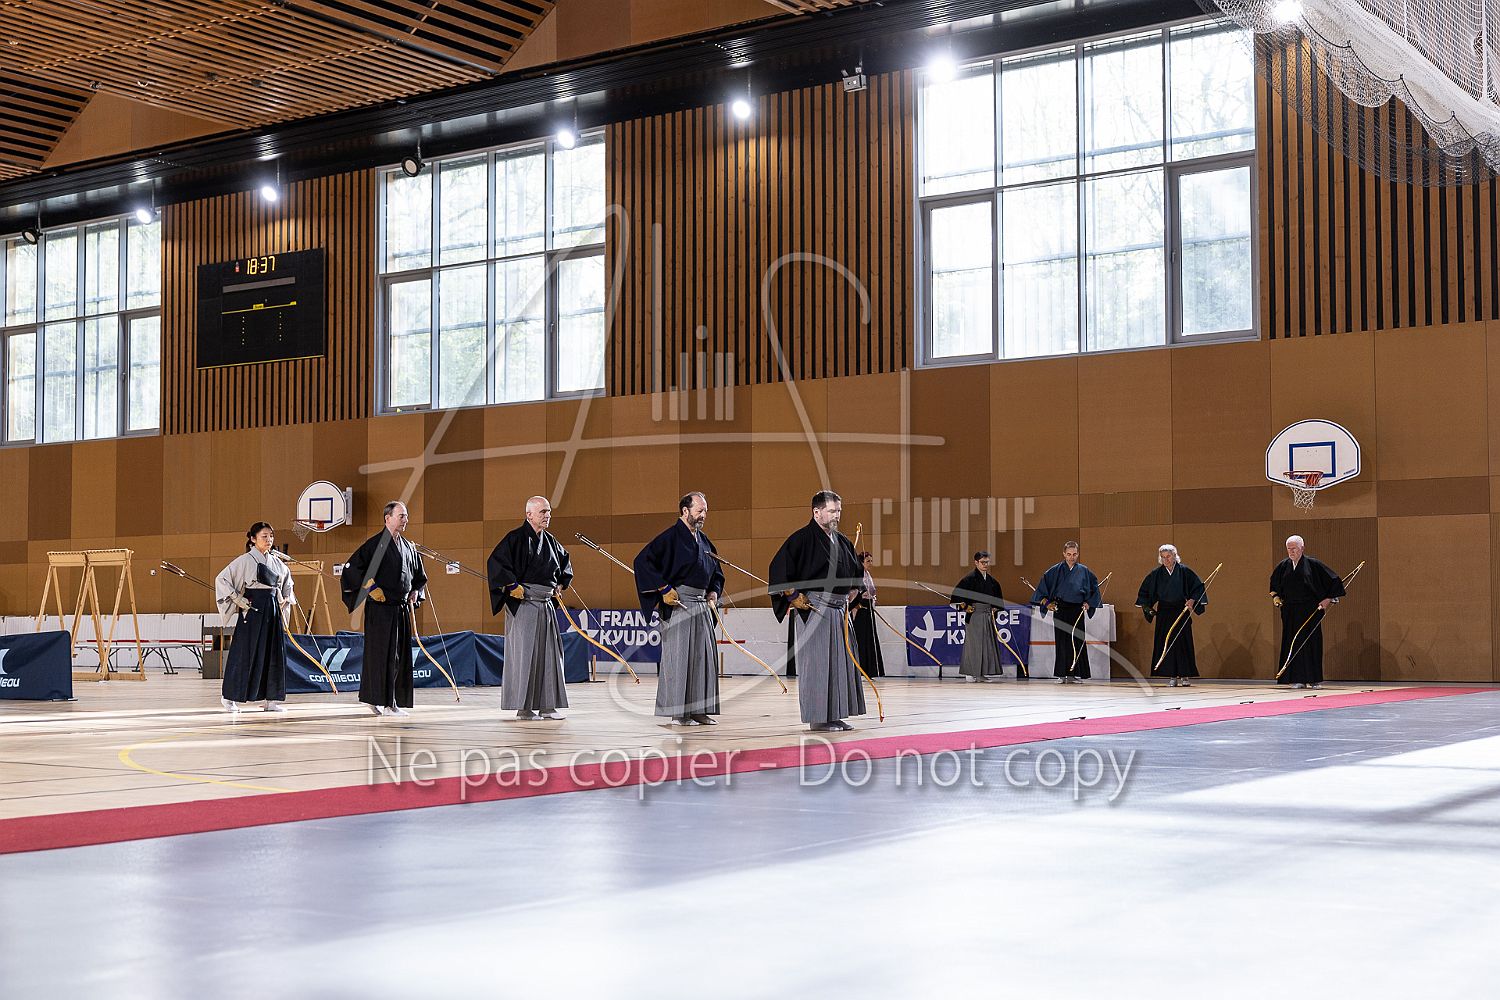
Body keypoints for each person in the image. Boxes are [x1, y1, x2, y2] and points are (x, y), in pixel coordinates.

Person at [768, 490, 867, 732]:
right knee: (818, 664)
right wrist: (793, 596)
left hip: (839, 611)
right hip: (815, 609)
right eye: (832, 511)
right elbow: (778, 569)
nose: (837, 515)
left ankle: (835, 714)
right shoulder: (801, 539)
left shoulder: (842, 541)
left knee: (840, 664)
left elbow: (856, 573)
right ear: (816, 512)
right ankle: (818, 718)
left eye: (839, 511)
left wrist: (855, 590)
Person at [634, 492, 725, 726]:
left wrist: (714, 591)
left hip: (701, 605)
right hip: (679, 604)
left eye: (705, 511)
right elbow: (642, 562)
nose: (703, 515)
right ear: (685, 511)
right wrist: (664, 588)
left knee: (703, 659)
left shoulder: (704, 541)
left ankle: (699, 710)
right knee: (679, 658)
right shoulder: (669, 538)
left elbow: (716, 572)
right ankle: (678, 712)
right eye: (699, 510)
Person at [487, 496, 573, 720]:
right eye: (543, 512)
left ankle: (548, 706)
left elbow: (565, 565)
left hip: (545, 604)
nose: (547, 516)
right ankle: (523, 708)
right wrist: (511, 585)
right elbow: (495, 564)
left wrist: (560, 584)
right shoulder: (515, 538)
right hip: (524, 603)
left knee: (550, 656)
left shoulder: (551, 541)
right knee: (526, 656)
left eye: (549, 512)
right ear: (529, 515)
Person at [340, 501, 427, 716]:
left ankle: (391, 702)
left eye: (406, 516)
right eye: (401, 516)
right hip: (380, 610)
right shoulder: (374, 545)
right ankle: (381, 701)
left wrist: (416, 592)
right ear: (388, 518)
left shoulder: (409, 547)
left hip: (400, 609)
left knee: (399, 656)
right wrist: (371, 588)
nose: (405, 520)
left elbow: (419, 577)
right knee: (380, 655)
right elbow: (351, 570)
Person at [215, 521, 296, 713]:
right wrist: (237, 598)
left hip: (272, 609)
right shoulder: (244, 560)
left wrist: (285, 598)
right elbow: (222, 579)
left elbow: (288, 584)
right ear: (253, 539)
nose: (269, 540)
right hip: (252, 609)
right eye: (264, 536)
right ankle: (229, 697)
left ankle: (271, 699)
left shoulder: (277, 562)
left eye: (271, 536)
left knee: (272, 653)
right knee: (244, 653)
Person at [1269, 535, 1346, 689]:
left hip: (1310, 610)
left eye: (1294, 549)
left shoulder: (1313, 564)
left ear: (1302, 548)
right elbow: (1274, 586)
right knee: (1292, 643)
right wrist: (1276, 598)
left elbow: (1334, 581)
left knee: (1311, 643)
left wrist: (1327, 599)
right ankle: (1296, 678)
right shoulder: (1283, 566)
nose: (1291, 552)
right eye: (1289, 549)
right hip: (1290, 611)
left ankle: (1313, 679)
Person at [1135, 544, 1207, 687]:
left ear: (1174, 556)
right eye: (1163, 557)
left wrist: (1192, 600)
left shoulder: (1184, 571)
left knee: (1183, 643)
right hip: (1164, 612)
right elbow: (1145, 592)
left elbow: (1198, 588)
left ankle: (1185, 676)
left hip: (1181, 610)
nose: (1166, 560)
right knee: (1166, 643)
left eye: (1168, 556)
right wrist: (1147, 607)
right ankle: (1172, 675)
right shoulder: (1156, 574)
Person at [1031, 541, 1102, 684]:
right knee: (1062, 641)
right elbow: (1041, 590)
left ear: (1078, 554)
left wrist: (1088, 603)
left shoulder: (1084, 571)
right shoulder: (1055, 570)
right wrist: (1047, 603)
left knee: (1077, 641)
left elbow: (1094, 589)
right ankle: (1061, 674)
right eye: (1069, 554)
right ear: (1064, 554)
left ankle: (1074, 674)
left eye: (1074, 554)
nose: (1071, 557)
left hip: (1077, 609)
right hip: (1061, 609)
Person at [952, 551, 1006, 683]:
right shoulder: (968, 579)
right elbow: (956, 598)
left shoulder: (993, 582)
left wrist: (995, 608)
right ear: (976, 563)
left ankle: (982, 674)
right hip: (975, 615)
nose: (985, 564)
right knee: (974, 645)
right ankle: (971, 672)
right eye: (983, 562)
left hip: (987, 616)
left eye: (987, 562)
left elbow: (998, 601)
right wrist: (966, 607)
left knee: (987, 645)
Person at [849, 552, 886, 678]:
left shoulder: (867, 575)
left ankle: (871, 671)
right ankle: (860, 670)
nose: (870, 563)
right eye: (868, 561)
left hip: (868, 609)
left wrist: (873, 602)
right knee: (861, 639)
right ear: (861, 563)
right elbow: (853, 592)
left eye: (871, 561)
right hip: (860, 610)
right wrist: (855, 607)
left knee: (870, 639)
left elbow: (872, 593)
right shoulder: (857, 575)